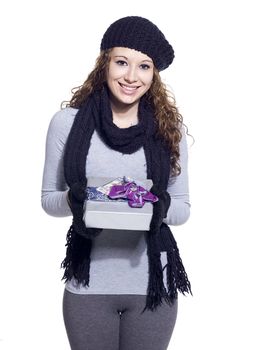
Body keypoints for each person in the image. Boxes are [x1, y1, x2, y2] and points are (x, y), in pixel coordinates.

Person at [41, 16, 191, 350]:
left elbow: (182, 208)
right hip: (89, 286)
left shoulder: (169, 131)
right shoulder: (67, 124)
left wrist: (158, 206)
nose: (131, 77)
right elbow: (49, 199)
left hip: (153, 285)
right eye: (122, 62)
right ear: (104, 62)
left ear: (154, 74)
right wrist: (75, 199)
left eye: (144, 66)